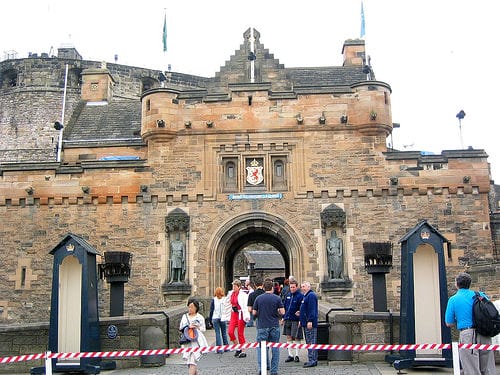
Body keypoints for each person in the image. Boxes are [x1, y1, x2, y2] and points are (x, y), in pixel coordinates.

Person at [445, 272, 496, 375]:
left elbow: (448, 323)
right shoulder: (480, 295)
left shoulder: (453, 299)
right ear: (470, 283)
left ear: (457, 284)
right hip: (485, 333)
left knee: (471, 369)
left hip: (467, 334)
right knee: (488, 369)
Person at [252, 279, 285, 375]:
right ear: (272, 288)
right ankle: (274, 371)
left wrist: (260, 313)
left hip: (262, 325)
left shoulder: (258, 298)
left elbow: (254, 312)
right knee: (275, 348)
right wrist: (277, 312)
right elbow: (282, 312)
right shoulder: (277, 298)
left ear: (263, 287)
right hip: (274, 325)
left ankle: (263, 368)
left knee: (262, 348)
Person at [179, 298, 208, 375]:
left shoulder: (200, 317)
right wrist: (188, 326)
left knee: (193, 361)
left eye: (192, 307)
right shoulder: (184, 317)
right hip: (187, 341)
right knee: (190, 363)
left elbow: (203, 329)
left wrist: (196, 327)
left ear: (196, 308)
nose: (190, 309)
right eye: (189, 307)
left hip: (197, 342)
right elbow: (180, 328)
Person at [227, 279, 251, 358]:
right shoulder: (231, 294)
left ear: (239, 287)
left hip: (240, 314)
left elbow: (245, 306)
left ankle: (243, 350)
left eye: (235, 286)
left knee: (240, 333)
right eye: (233, 286)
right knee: (230, 332)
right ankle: (237, 346)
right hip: (233, 314)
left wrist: (246, 316)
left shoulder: (243, 295)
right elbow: (227, 304)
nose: (233, 288)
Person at [282, 279, 304, 363]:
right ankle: (290, 355)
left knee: (296, 337)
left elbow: (301, 308)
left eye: (293, 287)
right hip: (288, 318)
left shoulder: (300, 296)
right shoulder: (288, 295)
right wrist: (283, 317)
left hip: (296, 319)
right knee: (288, 337)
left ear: (297, 287)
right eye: (291, 287)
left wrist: (300, 320)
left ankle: (297, 355)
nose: (292, 289)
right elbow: (285, 306)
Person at [299, 281, 319, 368]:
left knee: (311, 341)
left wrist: (310, 320)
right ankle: (311, 359)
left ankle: (313, 360)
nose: (302, 288)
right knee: (309, 341)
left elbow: (312, 309)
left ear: (308, 287)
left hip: (309, 323)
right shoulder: (306, 296)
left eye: (304, 286)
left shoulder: (311, 296)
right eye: (301, 287)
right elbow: (306, 309)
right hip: (305, 322)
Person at [209, 287, 230, 353]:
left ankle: (219, 349)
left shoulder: (214, 300)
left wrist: (210, 320)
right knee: (224, 333)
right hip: (223, 318)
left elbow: (211, 310)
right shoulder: (225, 299)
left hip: (215, 317)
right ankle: (226, 348)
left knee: (217, 333)